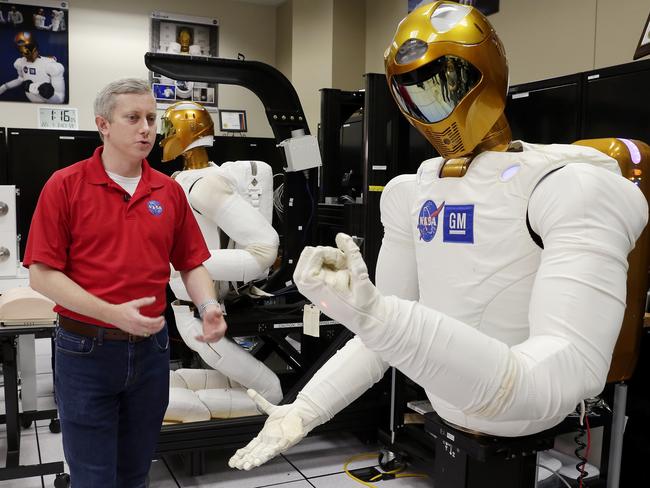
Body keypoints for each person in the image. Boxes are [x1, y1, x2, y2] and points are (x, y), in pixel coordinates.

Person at [229, 1, 648, 470]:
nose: (432, 110)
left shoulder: (570, 187)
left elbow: (563, 372)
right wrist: (306, 409)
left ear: (485, 74)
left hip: (522, 413)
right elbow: (377, 335)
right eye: (413, 95)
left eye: (445, 88)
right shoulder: (414, 190)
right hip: (448, 397)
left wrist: (385, 319)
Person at [23, 78, 227, 487]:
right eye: (133, 118)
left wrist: (208, 307)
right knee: (94, 477)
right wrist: (112, 314)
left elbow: (191, 263)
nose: (146, 128)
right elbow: (41, 274)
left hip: (151, 352)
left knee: (136, 474)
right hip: (85, 351)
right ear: (103, 124)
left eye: (151, 119)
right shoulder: (65, 185)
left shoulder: (167, 191)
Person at [159, 101, 283, 422]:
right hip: (188, 310)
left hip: (200, 313)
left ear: (189, 133)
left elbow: (264, 248)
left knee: (272, 393)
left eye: (169, 130)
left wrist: (186, 262)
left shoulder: (205, 185)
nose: (163, 138)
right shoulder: (184, 179)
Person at [0, 31, 65, 103]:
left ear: (35, 46)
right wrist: (3, 87)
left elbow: (60, 98)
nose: (26, 52)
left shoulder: (51, 66)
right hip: (29, 103)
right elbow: (20, 79)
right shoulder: (20, 62)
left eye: (29, 47)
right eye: (22, 49)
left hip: (46, 104)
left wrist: (49, 95)